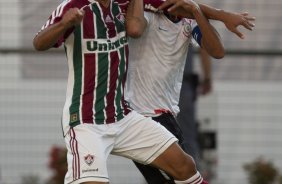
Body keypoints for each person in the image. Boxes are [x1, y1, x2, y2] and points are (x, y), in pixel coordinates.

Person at [32, 0, 219, 183]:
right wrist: (64, 24)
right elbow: (39, 43)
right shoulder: (72, 6)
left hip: (122, 116)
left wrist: (225, 16)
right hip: (86, 122)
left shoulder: (124, 5)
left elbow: (175, 5)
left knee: (184, 166)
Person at [125, 0, 256, 183]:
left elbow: (217, 51)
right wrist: (223, 15)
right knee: (186, 174)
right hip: (143, 115)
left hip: (166, 115)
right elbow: (135, 28)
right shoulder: (146, 14)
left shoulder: (189, 21)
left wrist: (195, 10)